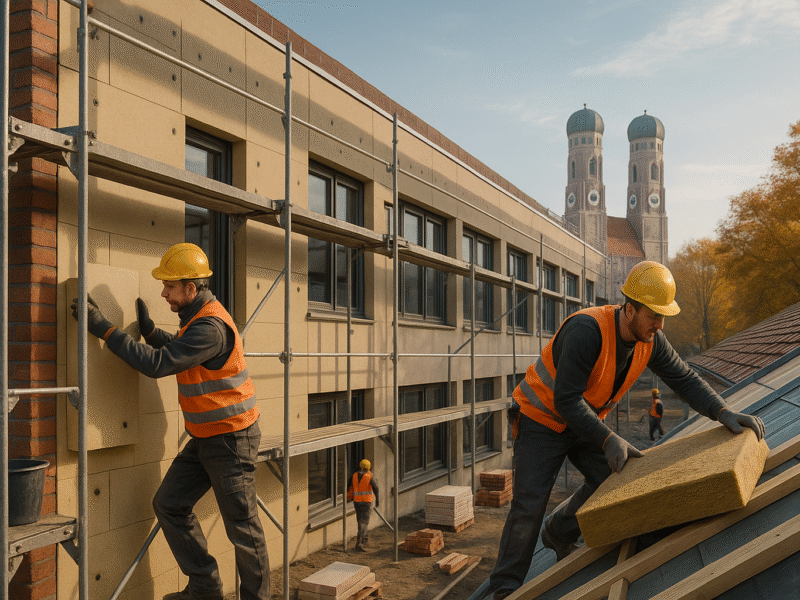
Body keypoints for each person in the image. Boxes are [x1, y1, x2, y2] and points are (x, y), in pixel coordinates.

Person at [477, 261, 765, 600]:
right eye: (653, 316)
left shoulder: (651, 339)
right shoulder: (587, 330)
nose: (659, 326)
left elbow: (683, 377)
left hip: (582, 421)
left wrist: (722, 410)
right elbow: (566, 401)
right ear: (629, 309)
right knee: (528, 505)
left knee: (615, 480)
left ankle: (559, 530)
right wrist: (608, 437)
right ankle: (503, 589)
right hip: (541, 419)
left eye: (663, 318)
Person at [71, 243, 269, 600]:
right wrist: (150, 332)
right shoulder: (197, 318)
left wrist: (103, 329)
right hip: (207, 437)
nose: (163, 293)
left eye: (169, 286)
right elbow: (180, 350)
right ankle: (205, 590)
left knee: (243, 528)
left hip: (231, 440)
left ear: (191, 288)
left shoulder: (210, 326)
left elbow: (160, 364)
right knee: (169, 504)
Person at [347, 459, 379, 552]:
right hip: (366, 503)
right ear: (368, 467)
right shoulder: (369, 477)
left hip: (357, 502)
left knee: (360, 521)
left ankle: (364, 539)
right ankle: (360, 543)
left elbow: (349, 487)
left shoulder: (354, 476)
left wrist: (349, 498)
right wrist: (378, 501)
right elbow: (376, 489)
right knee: (364, 523)